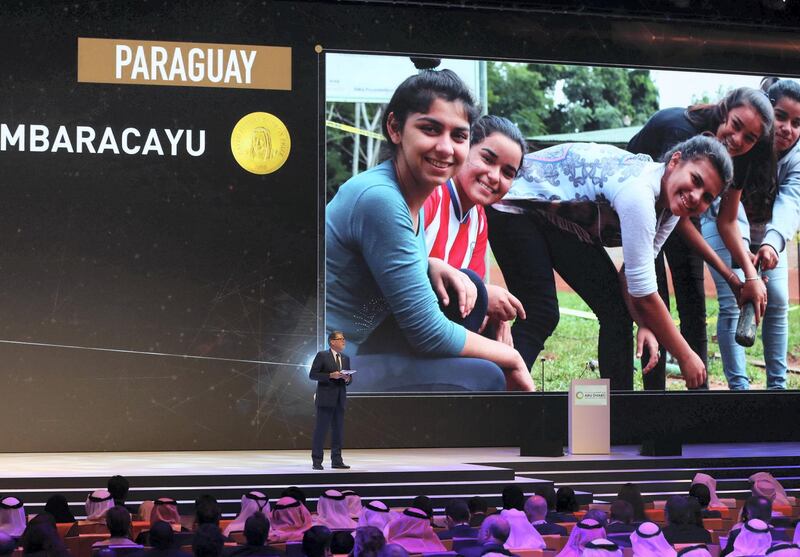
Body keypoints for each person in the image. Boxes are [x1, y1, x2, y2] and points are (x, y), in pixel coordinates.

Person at [326, 68, 534, 393]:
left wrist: (430, 264)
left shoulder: (409, 198)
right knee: (487, 375)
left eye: (459, 136)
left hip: (358, 342)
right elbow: (428, 331)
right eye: (430, 129)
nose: (446, 148)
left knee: (469, 290)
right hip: (322, 366)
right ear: (395, 128)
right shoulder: (381, 198)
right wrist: (511, 357)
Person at [489, 136, 732, 390]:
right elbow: (645, 294)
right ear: (675, 161)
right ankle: (492, 397)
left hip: (555, 218)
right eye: (695, 180)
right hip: (515, 203)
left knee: (616, 312)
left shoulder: (671, 206)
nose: (695, 197)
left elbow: (632, 275)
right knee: (540, 312)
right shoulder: (639, 192)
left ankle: (617, 416)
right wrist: (685, 355)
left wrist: (645, 324)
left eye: (707, 197)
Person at [627, 87, 775, 389]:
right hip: (642, 207)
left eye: (749, 138)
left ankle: (699, 398)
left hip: (681, 209)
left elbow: (728, 220)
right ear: (724, 111)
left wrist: (748, 277)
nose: (737, 140)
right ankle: (654, 400)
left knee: (693, 304)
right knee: (654, 306)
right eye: (735, 125)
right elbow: (676, 215)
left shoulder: (738, 157)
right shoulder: (680, 129)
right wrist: (729, 276)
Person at [705, 80, 800, 390]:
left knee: (778, 300)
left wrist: (773, 244)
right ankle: (739, 388)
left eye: (798, 123)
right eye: (781, 117)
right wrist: (747, 263)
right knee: (733, 300)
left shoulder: (797, 156)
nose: (787, 128)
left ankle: (777, 387)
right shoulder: (745, 144)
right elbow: (727, 211)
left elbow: (791, 200)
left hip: (770, 228)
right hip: (724, 220)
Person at [423, 114, 527, 346]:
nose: (494, 177)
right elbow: (395, 272)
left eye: (507, 173)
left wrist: (491, 312)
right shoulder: (429, 194)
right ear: (464, 148)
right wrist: (483, 296)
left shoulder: (479, 219)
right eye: (488, 159)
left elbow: (470, 298)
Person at [309, 331, 352, 470]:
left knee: (338, 431)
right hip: (325, 399)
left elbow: (349, 380)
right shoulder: (322, 355)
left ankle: (337, 460)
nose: (344, 341)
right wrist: (330, 375)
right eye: (341, 339)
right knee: (321, 430)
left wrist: (347, 378)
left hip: (340, 400)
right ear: (332, 341)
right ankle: (317, 461)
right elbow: (313, 375)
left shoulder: (345, 358)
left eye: (344, 339)